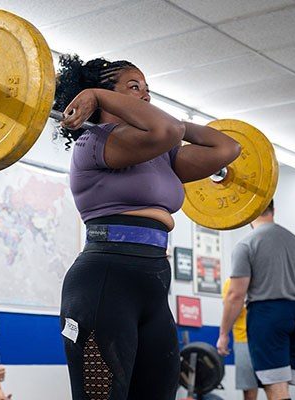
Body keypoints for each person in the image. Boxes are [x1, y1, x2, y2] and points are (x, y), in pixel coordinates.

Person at [54, 54, 241, 400]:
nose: (146, 96)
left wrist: (179, 124)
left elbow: (228, 147)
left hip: (154, 281)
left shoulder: (162, 154)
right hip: (106, 279)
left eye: (147, 90)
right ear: (106, 96)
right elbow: (166, 130)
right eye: (134, 87)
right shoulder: (94, 143)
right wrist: (96, 95)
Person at [217, 200, 295, 400]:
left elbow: (236, 294)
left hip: (267, 314)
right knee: (283, 385)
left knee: (275, 388)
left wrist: (223, 333)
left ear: (250, 212)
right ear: (273, 210)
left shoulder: (247, 244)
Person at [221, 278, 259, 400]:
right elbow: (230, 307)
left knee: (274, 386)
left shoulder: (262, 280)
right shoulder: (230, 283)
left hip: (265, 339)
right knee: (249, 389)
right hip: (243, 338)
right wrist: (224, 334)